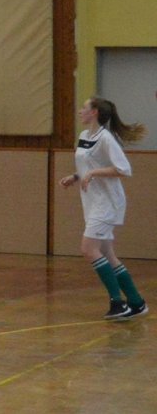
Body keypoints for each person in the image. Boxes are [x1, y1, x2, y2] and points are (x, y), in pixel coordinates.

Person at [59, 97, 147, 320]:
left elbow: (123, 169)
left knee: (88, 249)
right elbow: (89, 165)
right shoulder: (83, 136)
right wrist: (76, 176)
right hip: (92, 201)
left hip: (108, 202)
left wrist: (92, 173)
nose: (80, 111)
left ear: (95, 112)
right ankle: (136, 302)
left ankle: (117, 303)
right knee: (107, 254)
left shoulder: (106, 138)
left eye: (84, 108)